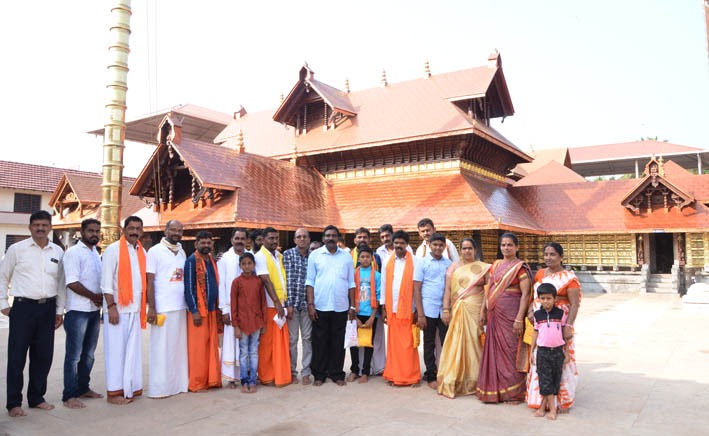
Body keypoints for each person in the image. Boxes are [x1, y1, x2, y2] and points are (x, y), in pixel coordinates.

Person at [1, 210, 66, 417]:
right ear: (30, 227)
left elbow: (61, 283)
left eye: (44, 225)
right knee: (17, 357)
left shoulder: (58, 251)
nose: (40, 228)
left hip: (47, 308)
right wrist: (3, 303)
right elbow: (2, 276)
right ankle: (14, 403)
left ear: (50, 227)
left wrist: (59, 310)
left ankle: (37, 398)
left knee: (43, 356)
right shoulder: (17, 249)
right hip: (23, 308)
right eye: (36, 225)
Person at [476, 232, 532, 403]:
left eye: (510, 245)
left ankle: (514, 392)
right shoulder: (495, 265)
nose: (506, 248)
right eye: (503, 245)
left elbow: (526, 294)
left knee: (511, 350)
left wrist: (519, 319)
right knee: (494, 351)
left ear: (517, 247)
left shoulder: (520, 267)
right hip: (494, 313)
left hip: (511, 315)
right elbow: (489, 290)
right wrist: (482, 311)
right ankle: (495, 389)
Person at [527, 242, 581, 413]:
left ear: (561, 257)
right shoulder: (540, 274)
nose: (548, 258)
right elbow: (534, 297)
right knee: (540, 360)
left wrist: (568, 326)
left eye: (552, 254)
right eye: (546, 254)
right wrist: (531, 311)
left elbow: (574, 304)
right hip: (541, 323)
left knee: (561, 361)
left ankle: (561, 400)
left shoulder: (569, 278)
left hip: (560, 323)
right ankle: (539, 400)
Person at [101, 215, 148, 405]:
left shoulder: (141, 251)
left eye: (138, 228)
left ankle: (130, 388)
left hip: (135, 309)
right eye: (131, 228)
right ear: (124, 229)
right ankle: (114, 393)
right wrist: (111, 306)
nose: (134, 232)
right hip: (117, 310)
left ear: (142, 231)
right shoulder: (113, 250)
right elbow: (106, 283)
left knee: (133, 353)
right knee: (116, 353)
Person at [437, 238, 490, 398]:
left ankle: (476, 380)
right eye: (464, 248)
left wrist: (483, 311)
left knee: (475, 342)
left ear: (475, 250)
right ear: (460, 250)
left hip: (476, 310)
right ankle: (457, 379)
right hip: (458, 309)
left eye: (470, 248)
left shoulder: (484, 268)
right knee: (457, 342)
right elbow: (447, 290)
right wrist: (445, 309)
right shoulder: (453, 267)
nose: (467, 251)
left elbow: (487, 293)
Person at [305, 225, 356, 386]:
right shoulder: (315, 255)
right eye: (327, 235)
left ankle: (336, 373)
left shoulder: (346, 257)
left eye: (334, 235)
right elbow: (310, 281)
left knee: (338, 342)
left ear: (338, 238)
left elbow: (351, 283)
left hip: (341, 306)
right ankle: (319, 374)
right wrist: (311, 305)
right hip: (320, 305)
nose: (330, 238)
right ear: (323, 238)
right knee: (320, 342)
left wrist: (352, 306)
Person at [62, 218, 104, 409]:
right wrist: (94, 296)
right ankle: (69, 395)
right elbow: (72, 282)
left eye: (97, 231)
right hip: (78, 310)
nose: (94, 234)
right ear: (82, 232)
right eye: (90, 231)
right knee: (74, 356)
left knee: (89, 354)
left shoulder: (95, 252)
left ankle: (83, 388)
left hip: (93, 310)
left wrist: (99, 299)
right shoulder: (73, 253)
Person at [145, 220, 188, 398]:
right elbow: (149, 281)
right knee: (160, 349)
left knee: (178, 349)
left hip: (180, 307)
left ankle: (178, 385)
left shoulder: (182, 252)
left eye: (180, 230)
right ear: (166, 230)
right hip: (162, 308)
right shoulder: (155, 251)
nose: (176, 233)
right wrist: (152, 308)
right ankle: (159, 389)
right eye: (173, 230)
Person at [380, 230, 421, 387]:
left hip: (409, 309)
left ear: (407, 245)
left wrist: (417, 309)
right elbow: (384, 285)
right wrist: (383, 306)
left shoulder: (415, 262)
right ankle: (394, 375)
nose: (398, 246)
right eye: (396, 243)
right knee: (394, 345)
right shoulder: (387, 261)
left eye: (402, 243)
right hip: (392, 309)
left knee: (409, 344)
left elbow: (418, 287)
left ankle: (411, 376)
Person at [413, 233, 452, 389]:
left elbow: (451, 288)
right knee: (429, 343)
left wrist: (448, 308)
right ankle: (430, 375)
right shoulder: (422, 263)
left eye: (441, 245)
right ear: (429, 245)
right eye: (435, 244)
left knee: (446, 342)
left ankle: (445, 373)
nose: (438, 248)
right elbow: (417, 289)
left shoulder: (449, 264)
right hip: (428, 309)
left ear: (444, 247)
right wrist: (420, 314)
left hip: (444, 310)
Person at [184, 231, 221, 392]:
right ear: (196, 244)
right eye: (203, 243)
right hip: (199, 312)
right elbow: (189, 288)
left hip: (212, 310)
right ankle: (197, 382)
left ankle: (211, 379)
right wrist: (194, 310)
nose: (206, 245)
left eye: (208, 242)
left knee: (211, 346)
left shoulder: (212, 260)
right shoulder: (192, 261)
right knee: (198, 349)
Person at [254, 227, 291, 387]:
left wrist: (284, 303)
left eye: (276, 238)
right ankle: (266, 376)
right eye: (271, 238)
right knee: (267, 343)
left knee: (281, 343)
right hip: (269, 306)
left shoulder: (279, 256)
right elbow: (266, 280)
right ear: (263, 240)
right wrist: (276, 303)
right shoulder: (260, 256)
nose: (274, 241)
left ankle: (280, 375)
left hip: (281, 305)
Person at [530, 283, 570, 421]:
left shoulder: (560, 314)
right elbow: (535, 333)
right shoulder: (537, 315)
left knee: (555, 380)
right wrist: (532, 351)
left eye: (549, 298)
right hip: (543, 352)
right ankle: (553, 410)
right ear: (539, 299)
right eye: (543, 298)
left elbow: (565, 334)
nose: (546, 301)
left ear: (555, 299)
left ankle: (542, 408)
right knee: (545, 380)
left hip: (558, 351)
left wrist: (567, 352)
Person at [230, 253, 266, 393]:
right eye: (244, 264)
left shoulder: (258, 282)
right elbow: (234, 305)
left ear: (254, 265)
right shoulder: (236, 282)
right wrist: (236, 326)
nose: (247, 266)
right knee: (244, 352)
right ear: (240, 266)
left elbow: (263, 303)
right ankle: (244, 380)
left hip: (256, 322)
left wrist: (263, 323)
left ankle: (253, 381)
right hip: (242, 323)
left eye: (249, 263)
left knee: (254, 352)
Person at [217, 228, 248, 387]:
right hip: (230, 307)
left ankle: (246, 375)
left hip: (247, 309)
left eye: (242, 239)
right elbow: (221, 286)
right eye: (237, 238)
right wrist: (224, 309)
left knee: (246, 342)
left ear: (246, 241)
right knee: (230, 343)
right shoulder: (224, 259)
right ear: (232, 240)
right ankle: (231, 377)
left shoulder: (250, 257)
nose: (240, 241)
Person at [346, 245, 381, 383]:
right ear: (358, 259)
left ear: (372, 259)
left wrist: (373, 316)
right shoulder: (353, 275)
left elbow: (378, 296)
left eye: (368, 257)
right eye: (362, 257)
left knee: (368, 343)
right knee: (354, 343)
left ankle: (365, 372)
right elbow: (349, 294)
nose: (365, 259)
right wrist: (354, 316)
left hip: (370, 313)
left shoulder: (377, 275)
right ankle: (354, 370)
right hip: (355, 312)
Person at [284, 228, 312, 385]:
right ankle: (292, 372)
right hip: (292, 305)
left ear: (309, 239)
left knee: (308, 338)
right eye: (299, 237)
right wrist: (289, 303)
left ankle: (306, 372)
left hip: (307, 305)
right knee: (292, 340)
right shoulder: (288, 254)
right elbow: (288, 280)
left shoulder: (313, 256)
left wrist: (312, 303)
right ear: (294, 240)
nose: (302, 239)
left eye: (304, 237)